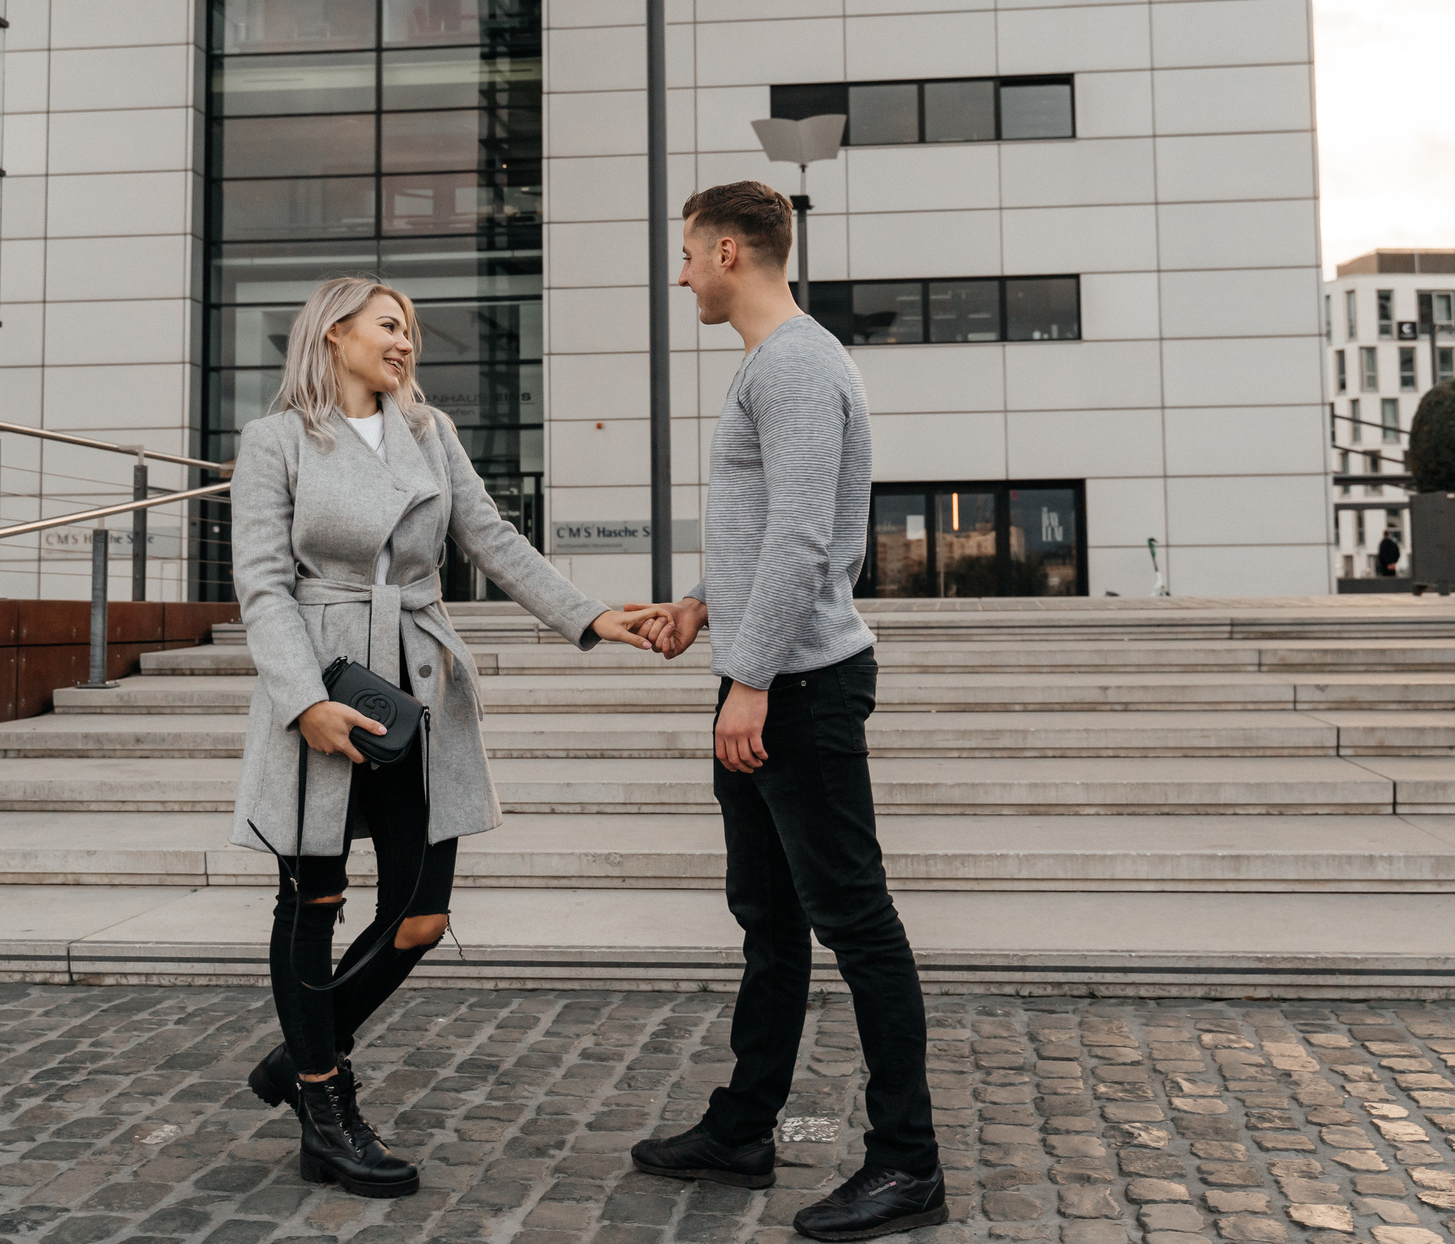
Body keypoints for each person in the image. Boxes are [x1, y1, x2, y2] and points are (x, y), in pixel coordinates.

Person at [229, 275, 661, 1198]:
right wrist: (303, 699)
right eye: (389, 325)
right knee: (312, 901)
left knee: (421, 911)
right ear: (335, 332)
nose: (405, 342)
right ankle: (322, 1094)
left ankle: (298, 1058)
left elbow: (492, 538)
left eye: (411, 330)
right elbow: (263, 583)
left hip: (417, 685)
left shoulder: (431, 432)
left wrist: (590, 617)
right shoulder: (274, 443)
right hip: (325, 682)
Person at [629, 182, 947, 1242]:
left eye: (686, 255)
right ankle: (741, 1126)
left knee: (855, 922)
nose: (681, 276)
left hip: (799, 687)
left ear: (728, 249)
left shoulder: (799, 366)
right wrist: (704, 608)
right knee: (769, 919)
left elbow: (809, 538)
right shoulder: (775, 366)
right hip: (768, 672)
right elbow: (770, 537)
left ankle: (908, 1163)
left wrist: (752, 678)